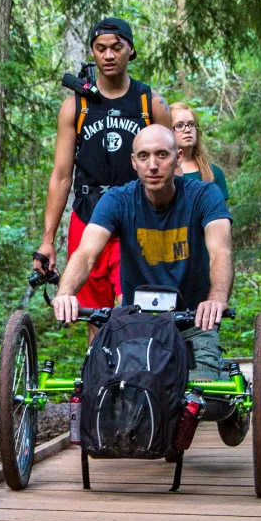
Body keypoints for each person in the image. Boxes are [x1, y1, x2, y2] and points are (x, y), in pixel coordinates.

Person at [52, 125, 232, 375]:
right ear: (133, 162)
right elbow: (86, 253)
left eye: (162, 154)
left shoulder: (204, 195)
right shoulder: (118, 200)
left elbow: (220, 252)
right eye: (144, 156)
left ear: (178, 157)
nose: (153, 165)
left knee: (202, 396)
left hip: (193, 322)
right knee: (118, 387)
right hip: (136, 323)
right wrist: (66, 291)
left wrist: (216, 299)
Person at [34, 18, 173, 324]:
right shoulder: (76, 106)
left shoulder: (151, 103)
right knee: (94, 317)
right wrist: (48, 241)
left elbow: (171, 169)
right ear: (93, 54)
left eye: (116, 47)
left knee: (132, 311)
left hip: (137, 221)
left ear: (130, 50)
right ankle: (100, 371)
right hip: (87, 218)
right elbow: (60, 175)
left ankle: (133, 371)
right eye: (101, 49)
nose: (109, 55)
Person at [172, 104, 229, 204]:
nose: (187, 130)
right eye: (179, 125)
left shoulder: (214, 173)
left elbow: (222, 216)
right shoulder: (160, 173)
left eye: (191, 124)